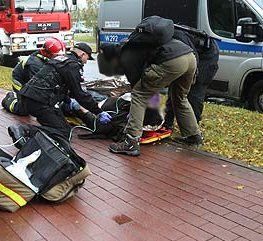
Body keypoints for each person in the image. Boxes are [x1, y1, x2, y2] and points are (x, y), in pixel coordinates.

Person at [107, 16, 203, 157]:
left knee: (139, 96)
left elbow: (136, 83)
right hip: (189, 57)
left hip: (172, 60)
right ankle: (193, 136)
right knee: (180, 98)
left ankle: (131, 142)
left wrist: (141, 92)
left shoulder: (126, 53)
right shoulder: (145, 42)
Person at [19, 42, 112, 140]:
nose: (85, 62)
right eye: (87, 58)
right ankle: (26, 130)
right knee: (62, 132)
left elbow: (56, 84)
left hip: (28, 97)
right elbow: (80, 94)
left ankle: (31, 138)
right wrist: (99, 112)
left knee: (65, 128)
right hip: (39, 102)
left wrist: (68, 100)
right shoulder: (73, 66)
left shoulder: (60, 59)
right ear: (82, 54)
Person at [162, 26, 219, 131]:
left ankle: (194, 129)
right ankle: (167, 124)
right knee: (175, 88)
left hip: (206, 57)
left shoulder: (178, 39)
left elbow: (193, 58)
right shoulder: (164, 38)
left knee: (195, 90)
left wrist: (189, 78)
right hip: (194, 51)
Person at [1, 37, 65, 115]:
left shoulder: (47, 59)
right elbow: (38, 86)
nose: (58, 58)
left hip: (30, 81)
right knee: (23, 110)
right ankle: (9, 99)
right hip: (20, 83)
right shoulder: (35, 64)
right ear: (47, 53)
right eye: (56, 56)